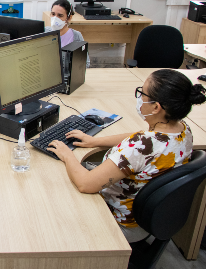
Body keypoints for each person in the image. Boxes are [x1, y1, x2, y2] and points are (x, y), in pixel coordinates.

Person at [45, 69, 206, 243]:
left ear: (156, 107)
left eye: (142, 93)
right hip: (148, 215)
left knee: (53, 194)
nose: (139, 98)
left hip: (121, 222)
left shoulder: (138, 147)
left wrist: (67, 155)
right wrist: (94, 141)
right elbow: (142, 137)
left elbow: (86, 185)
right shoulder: (182, 130)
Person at [46, 0, 90, 67]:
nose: (55, 18)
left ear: (69, 18)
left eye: (60, 15)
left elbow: (85, 63)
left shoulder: (76, 36)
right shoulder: (44, 32)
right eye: (53, 14)